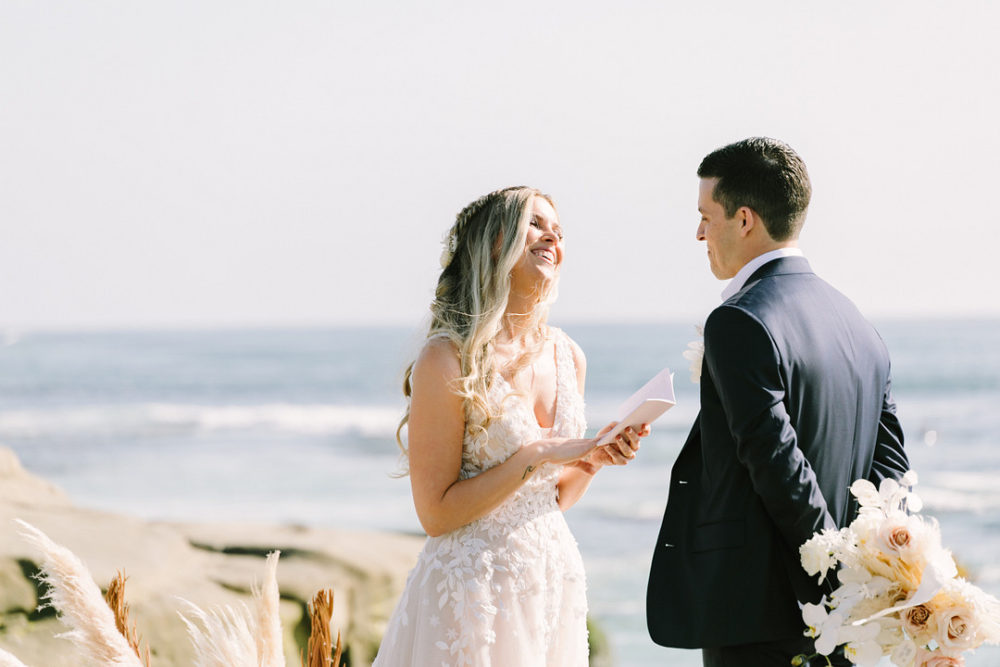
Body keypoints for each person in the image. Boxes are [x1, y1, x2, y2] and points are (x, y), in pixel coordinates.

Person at [646, 138, 910, 666]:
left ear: (744, 220)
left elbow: (778, 463)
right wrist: (858, 583)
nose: (700, 232)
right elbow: (891, 469)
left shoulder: (740, 320)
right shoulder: (857, 323)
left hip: (758, 616)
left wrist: (830, 572)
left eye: (706, 216)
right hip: (842, 623)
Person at [374, 186, 649, 666]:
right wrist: (536, 454)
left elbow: (555, 497)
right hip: (470, 592)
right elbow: (435, 514)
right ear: (495, 243)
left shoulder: (569, 356)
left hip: (550, 581)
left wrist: (593, 460)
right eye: (536, 224)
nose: (552, 239)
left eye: (558, 232)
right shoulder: (447, 357)